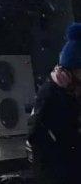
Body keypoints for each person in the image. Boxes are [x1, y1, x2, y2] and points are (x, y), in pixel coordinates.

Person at [28, 23, 81, 183]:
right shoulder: (51, 93)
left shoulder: (72, 90)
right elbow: (36, 135)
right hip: (57, 172)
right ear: (72, 69)